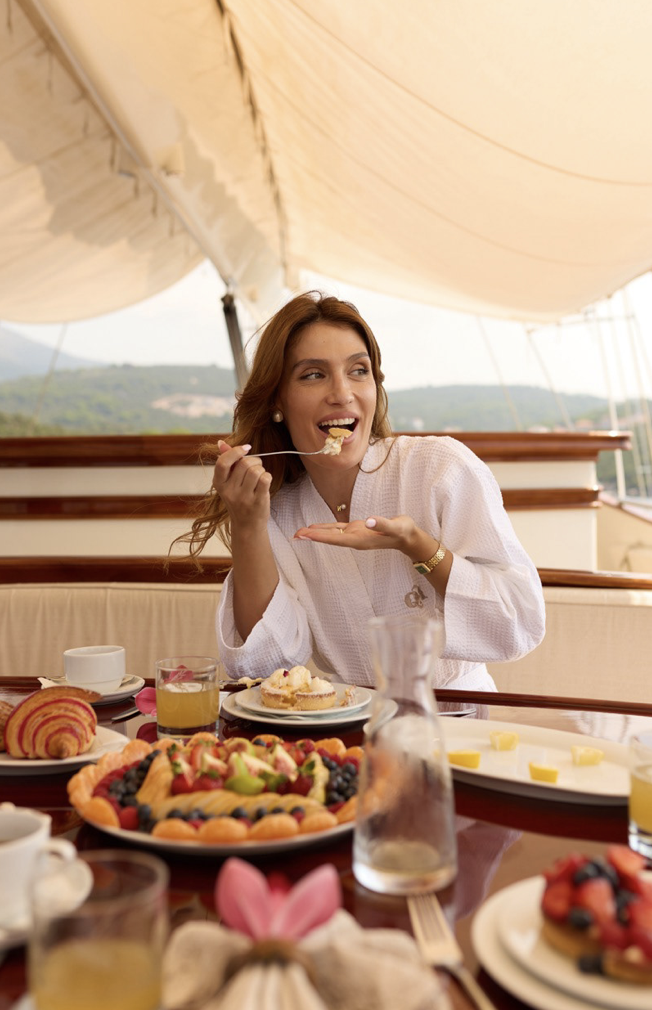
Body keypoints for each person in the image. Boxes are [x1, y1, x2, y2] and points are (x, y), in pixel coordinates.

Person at [178, 291, 545, 689]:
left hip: (461, 725)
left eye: (358, 370)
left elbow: (519, 623)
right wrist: (248, 527)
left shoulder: (439, 468)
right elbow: (264, 665)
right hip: (346, 722)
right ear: (277, 401)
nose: (342, 392)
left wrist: (418, 546)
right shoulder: (274, 508)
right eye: (313, 374)